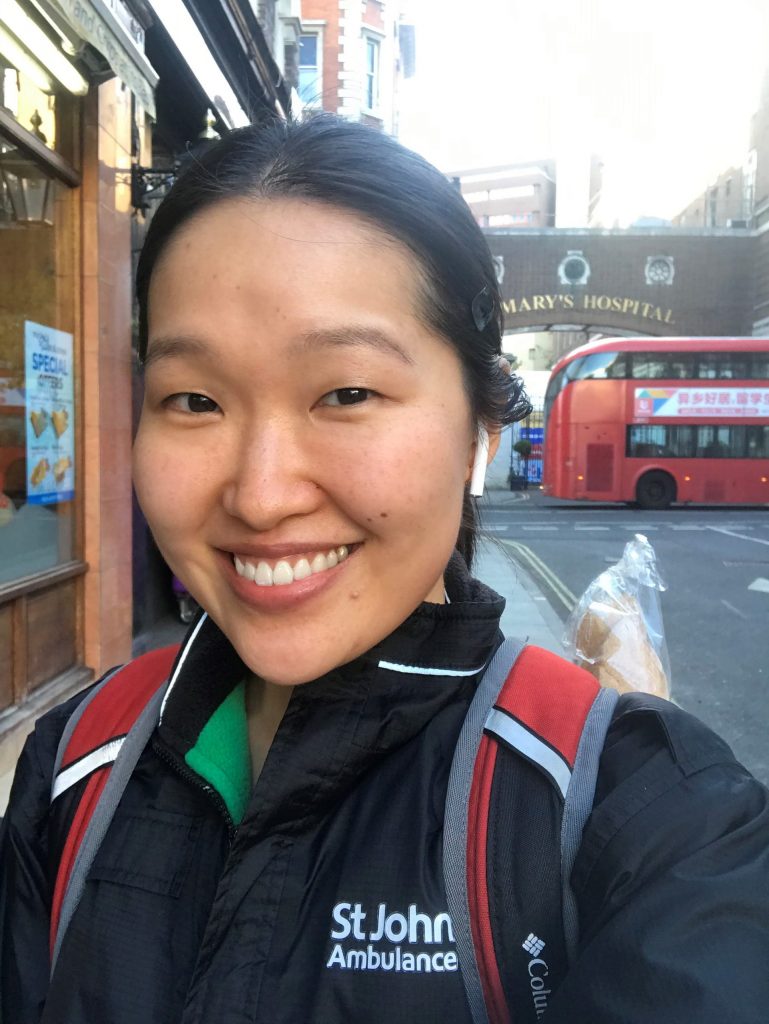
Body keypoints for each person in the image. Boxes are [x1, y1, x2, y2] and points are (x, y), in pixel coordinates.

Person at [1, 113, 768, 1024]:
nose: (258, 495)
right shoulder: (76, 763)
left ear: (480, 429)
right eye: (194, 399)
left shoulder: (645, 817)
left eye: (347, 392)